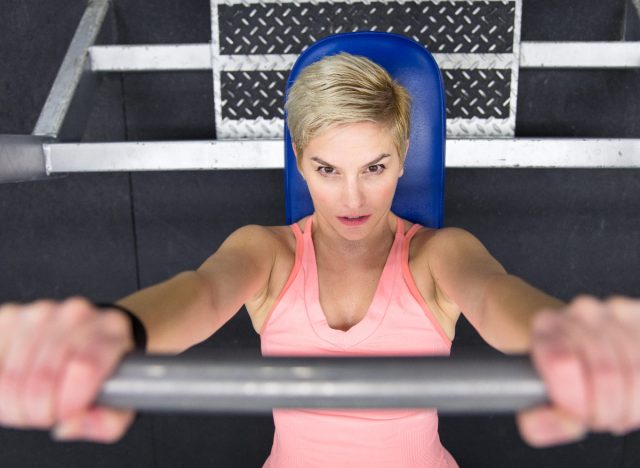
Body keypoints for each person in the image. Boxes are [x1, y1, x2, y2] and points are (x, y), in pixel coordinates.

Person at [0, 53, 638, 466]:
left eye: (375, 168)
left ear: (403, 157)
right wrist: (119, 331)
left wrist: (560, 333)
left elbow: (497, 295)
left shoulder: (438, 256)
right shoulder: (269, 253)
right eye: (328, 170)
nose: (353, 197)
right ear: (300, 161)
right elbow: (201, 292)